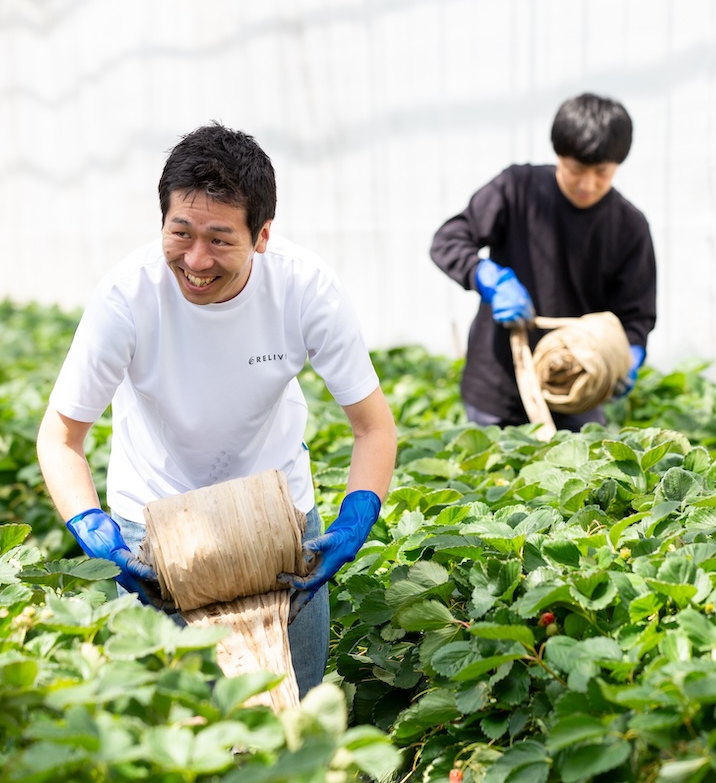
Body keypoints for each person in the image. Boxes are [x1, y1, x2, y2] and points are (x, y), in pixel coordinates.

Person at [36, 122, 398, 698]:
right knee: (164, 725)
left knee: (289, 722)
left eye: (220, 239)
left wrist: (357, 516)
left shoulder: (305, 291)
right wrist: (91, 526)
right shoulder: (126, 297)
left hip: (277, 534)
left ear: (262, 235)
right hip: (150, 533)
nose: (196, 260)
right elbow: (59, 439)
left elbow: (374, 428)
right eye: (180, 232)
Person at [430, 92, 656, 430]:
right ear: (558, 154)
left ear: (617, 166)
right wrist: (484, 275)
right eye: (576, 169)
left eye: (602, 173)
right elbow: (448, 239)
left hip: (578, 389)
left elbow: (637, 312)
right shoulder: (517, 189)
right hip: (496, 386)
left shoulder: (629, 227)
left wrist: (630, 352)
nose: (587, 184)